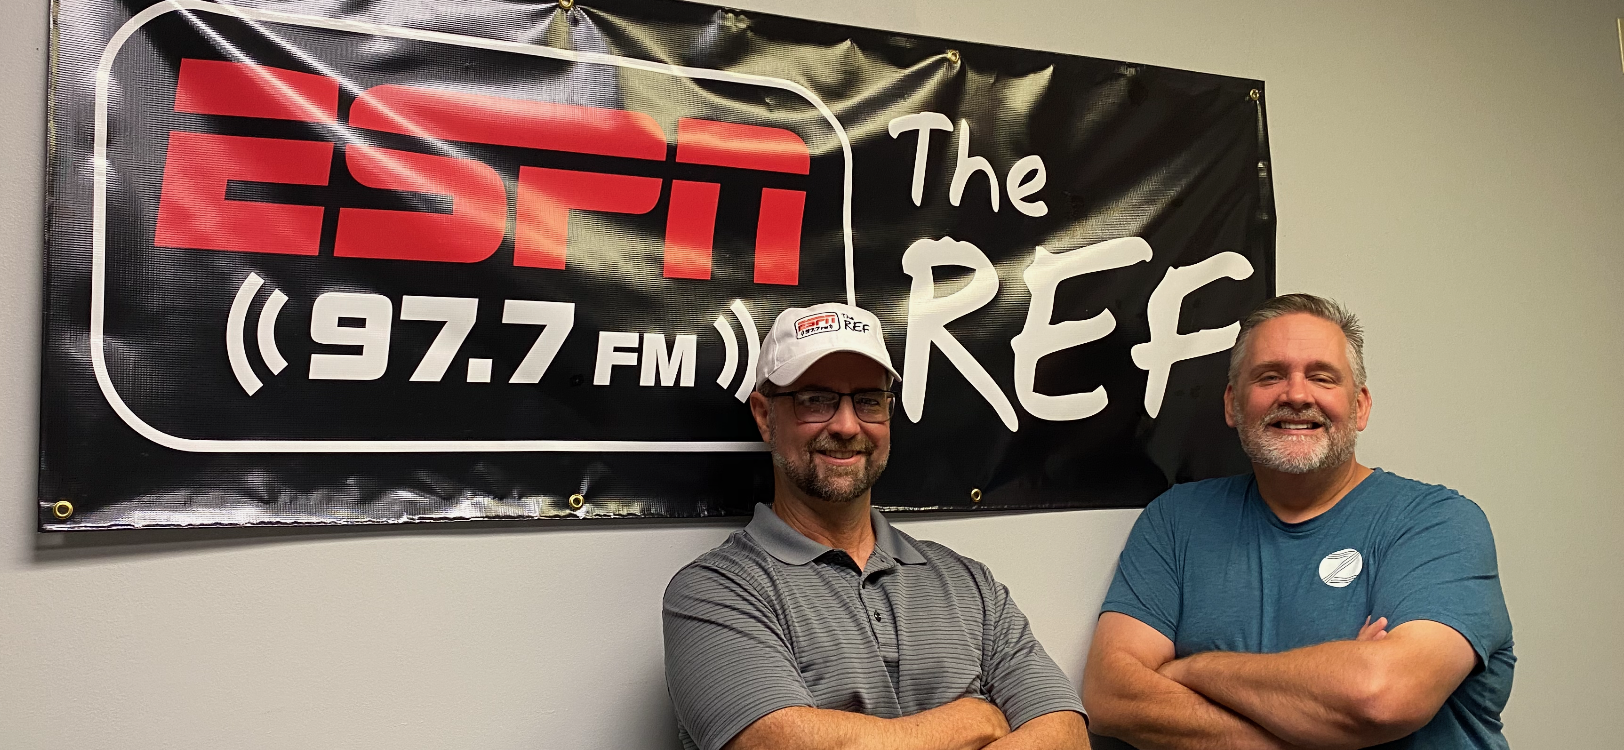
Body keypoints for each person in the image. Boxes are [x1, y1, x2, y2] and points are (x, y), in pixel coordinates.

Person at [1083, 294, 1515, 749]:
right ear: (1232, 404)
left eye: (1322, 377)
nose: (1296, 395)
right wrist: (1327, 708)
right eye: (1270, 376)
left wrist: (1193, 668)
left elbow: (1381, 696)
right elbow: (1111, 697)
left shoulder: (1437, 524)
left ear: (1360, 406)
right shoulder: (1176, 521)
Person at [662, 302, 1089, 750]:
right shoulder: (714, 591)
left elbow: (1067, 735)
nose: (847, 426)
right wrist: (972, 721)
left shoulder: (971, 586)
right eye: (816, 399)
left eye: (868, 400)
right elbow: (775, 744)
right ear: (765, 416)